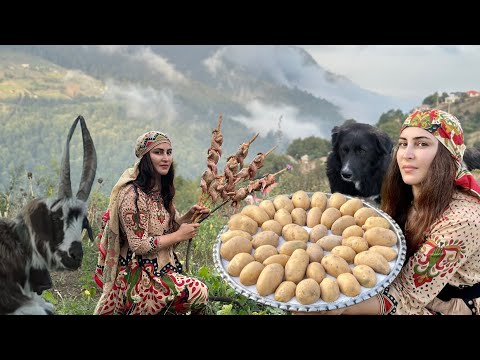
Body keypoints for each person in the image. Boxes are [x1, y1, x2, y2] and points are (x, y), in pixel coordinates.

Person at [322, 109, 480, 315]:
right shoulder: (406, 193)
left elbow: (406, 296)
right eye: (404, 143)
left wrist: (335, 309)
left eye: (422, 144)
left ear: (447, 154)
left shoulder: (462, 220)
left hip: (446, 304)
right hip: (403, 286)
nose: (407, 153)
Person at [93, 130, 210, 315]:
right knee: (198, 291)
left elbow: (168, 234)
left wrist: (187, 218)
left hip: (160, 272)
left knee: (196, 296)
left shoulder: (161, 191)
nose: (165, 158)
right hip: (136, 278)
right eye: (158, 152)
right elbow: (139, 245)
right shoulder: (131, 195)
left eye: (169, 152)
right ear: (145, 158)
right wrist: (180, 234)